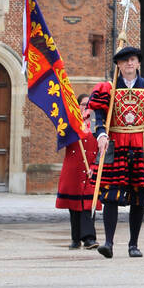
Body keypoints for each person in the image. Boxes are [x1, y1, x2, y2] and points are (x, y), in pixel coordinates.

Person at [89, 45, 144, 259]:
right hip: (115, 143)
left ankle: (133, 244)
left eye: (133, 59)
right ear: (118, 64)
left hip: (141, 143)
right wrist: (100, 134)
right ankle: (108, 243)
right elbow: (98, 115)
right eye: (125, 60)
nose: (129, 64)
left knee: (139, 196)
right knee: (110, 195)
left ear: (138, 63)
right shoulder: (107, 88)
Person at [55, 94, 99, 249]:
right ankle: (75, 238)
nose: (86, 107)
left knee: (88, 205)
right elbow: (61, 140)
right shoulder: (71, 123)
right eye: (83, 104)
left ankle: (89, 238)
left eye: (89, 105)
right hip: (73, 170)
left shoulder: (97, 125)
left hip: (91, 170)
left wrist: (95, 167)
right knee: (73, 206)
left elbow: (102, 149)